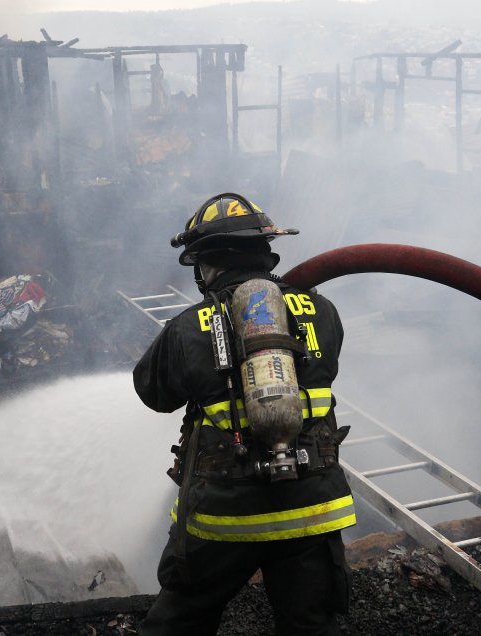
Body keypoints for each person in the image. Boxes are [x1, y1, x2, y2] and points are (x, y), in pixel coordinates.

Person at [133, 193, 356, 635]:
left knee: (181, 622)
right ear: (264, 250)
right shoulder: (323, 310)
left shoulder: (188, 327)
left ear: (206, 264)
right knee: (311, 626)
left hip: (223, 517)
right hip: (311, 507)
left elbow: (153, 392)